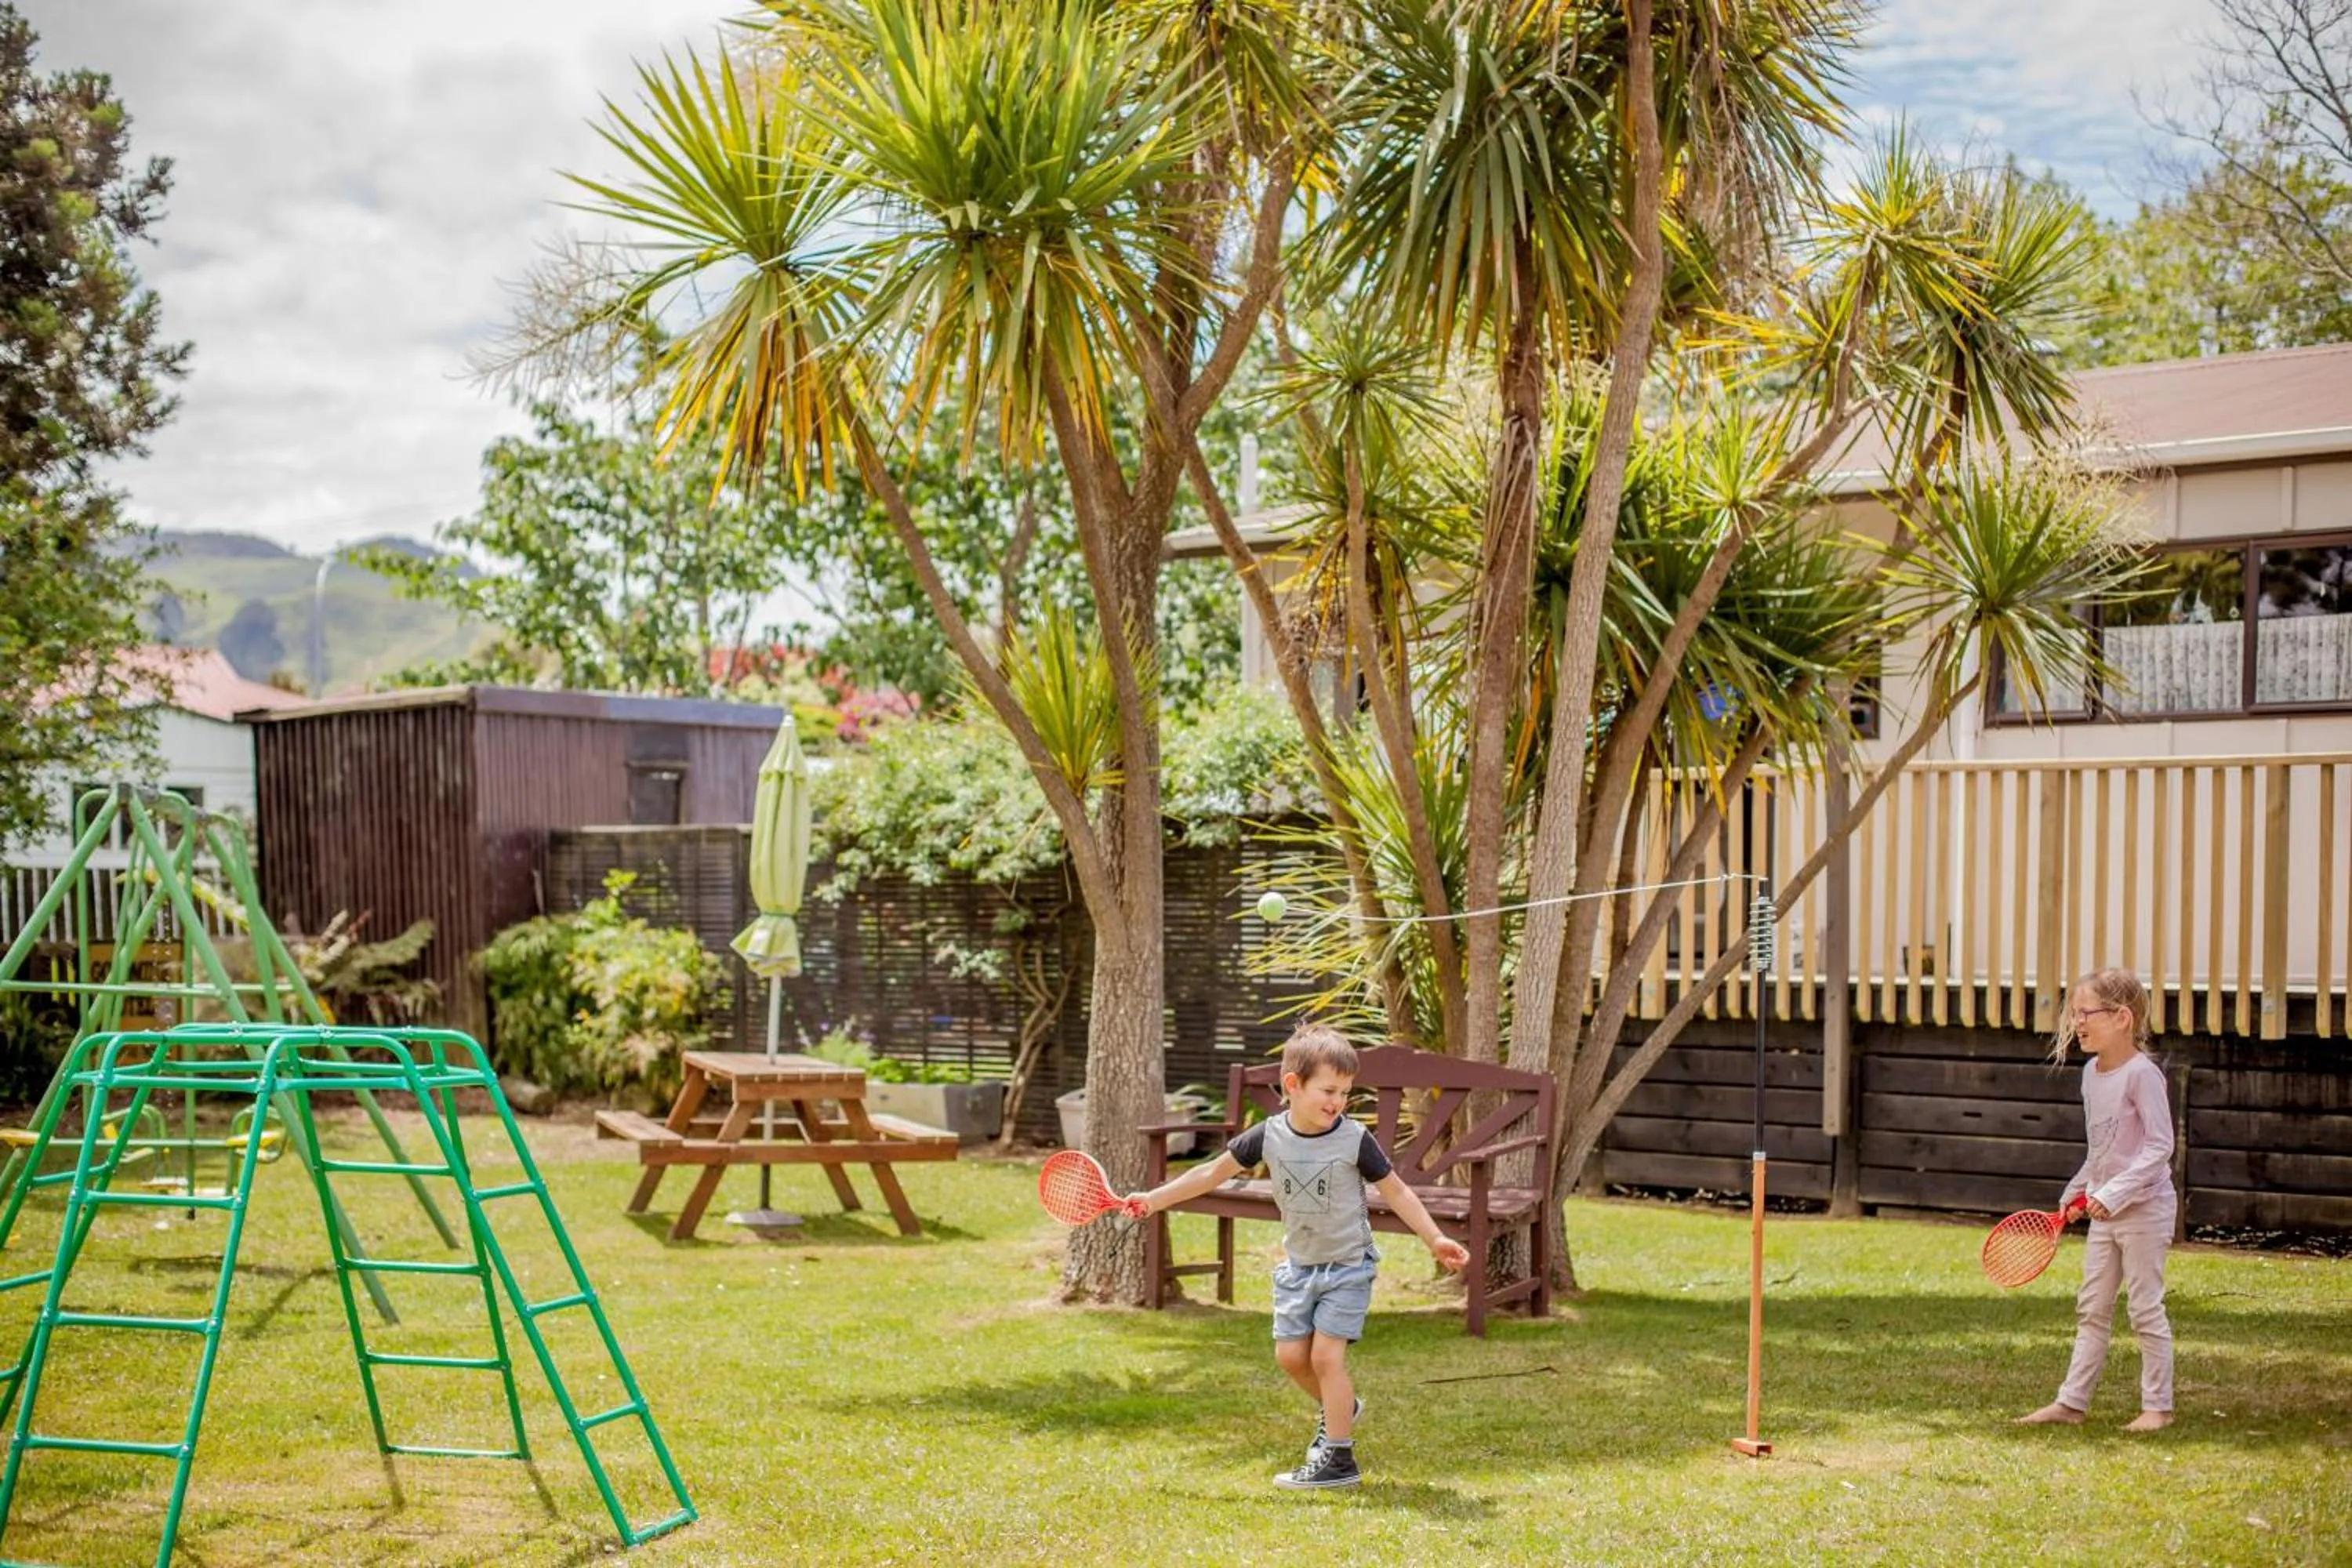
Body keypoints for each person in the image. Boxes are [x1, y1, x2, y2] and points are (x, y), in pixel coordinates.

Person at [1123, 1022, 1470, 1490]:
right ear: (1293, 1085)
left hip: (1348, 1264)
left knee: (1327, 1358)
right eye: (1329, 1090)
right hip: (1299, 1267)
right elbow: (1209, 1174)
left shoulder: (1353, 1139)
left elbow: (1398, 1191)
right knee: (1291, 1358)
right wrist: (1153, 1199)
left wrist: (1434, 1239)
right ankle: (1341, 1410)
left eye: (1345, 1092)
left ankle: (1339, 1461)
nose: (1337, 1102)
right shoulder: (1267, 1136)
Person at [2017, 967, 2177, 1433]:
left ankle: (2158, 1408)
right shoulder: (2091, 1073)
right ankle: (2071, 1403)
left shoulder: (2142, 1075)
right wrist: (2081, 1188)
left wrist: (2115, 1192)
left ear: (2122, 1017)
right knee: (2092, 1308)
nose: (2077, 1024)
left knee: (2145, 1308)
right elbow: (2104, 1147)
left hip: (2145, 1211)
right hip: (2106, 1212)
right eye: (2073, 1015)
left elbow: (2158, 1146)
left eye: (2085, 1013)